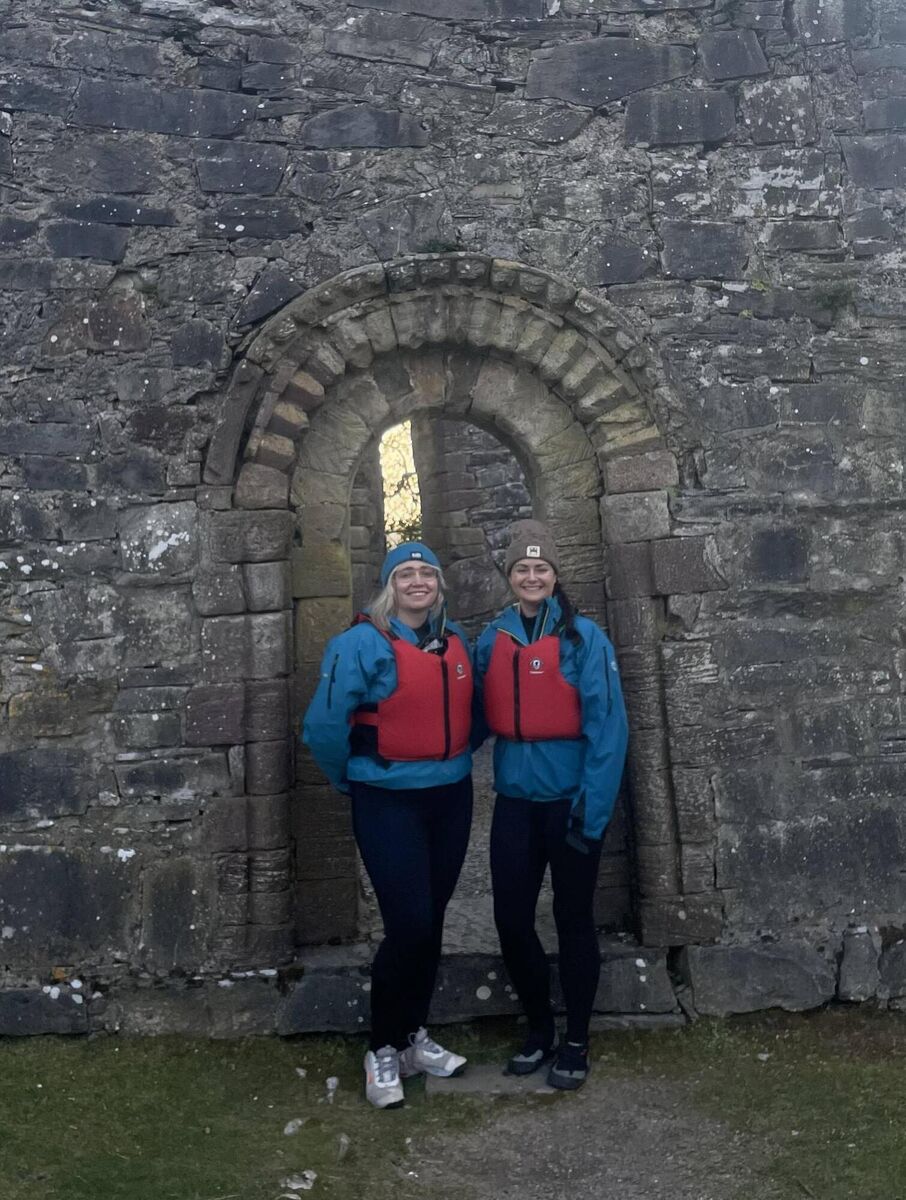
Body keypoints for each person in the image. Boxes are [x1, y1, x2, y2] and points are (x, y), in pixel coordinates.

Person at [302, 542, 473, 1109]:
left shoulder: (457, 643)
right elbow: (324, 726)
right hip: (387, 799)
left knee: (431, 922)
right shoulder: (358, 645)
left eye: (428, 573)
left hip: (450, 796)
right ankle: (381, 1048)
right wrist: (354, 778)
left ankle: (411, 1038)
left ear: (440, 584)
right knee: (409, 924)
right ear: (389, 586)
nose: (419, 581)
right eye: (406, 574)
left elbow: (471, 716)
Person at [474, 520, 629, 1091]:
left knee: (572, 918)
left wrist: (592, 815)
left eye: (541, 568)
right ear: (510, 578)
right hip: (515, 802)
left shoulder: (585, 639)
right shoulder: (492, 639)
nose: (532, 576)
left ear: (555, 576)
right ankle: (539, 1028)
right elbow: (470, 711)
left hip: (570, 802)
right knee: (512, 920)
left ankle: (577, 1038)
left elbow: (608, 729)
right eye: (522, 569)